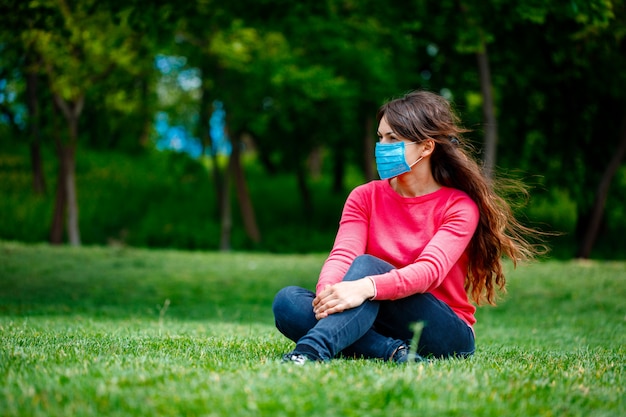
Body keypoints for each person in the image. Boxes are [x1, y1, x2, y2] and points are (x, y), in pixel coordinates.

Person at [272, 90, 541, 364]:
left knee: (367, 266)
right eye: (380, 137)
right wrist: (328, 294)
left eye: (393, 138)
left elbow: (429, 272)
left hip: (443, 331)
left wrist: (365, 287)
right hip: (375, 315)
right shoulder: (364, 196)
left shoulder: (459, 206)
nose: (382, 146)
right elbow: (342, 255)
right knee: (289, 303)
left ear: (426, 147)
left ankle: (310, 352)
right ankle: (394, 353)